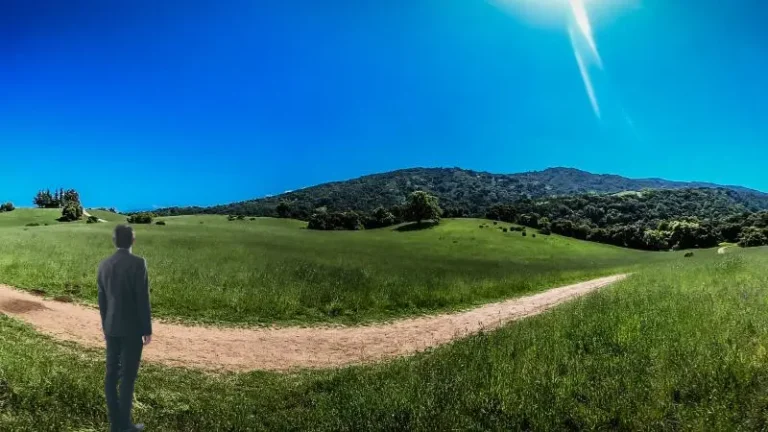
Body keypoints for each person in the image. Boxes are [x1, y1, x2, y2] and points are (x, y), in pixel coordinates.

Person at [98, 224, 153, 432]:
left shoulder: (103, 265)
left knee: (111, 374)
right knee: (128, 377)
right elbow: (142, 298)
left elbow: (102, 301)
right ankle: (124, 426)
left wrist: (105, 327)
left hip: (111, 327)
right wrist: (147, 328)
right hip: (132, 329)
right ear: (133, 241)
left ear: (114, 241)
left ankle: (116, 424)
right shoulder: (138, 263)